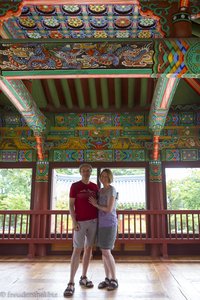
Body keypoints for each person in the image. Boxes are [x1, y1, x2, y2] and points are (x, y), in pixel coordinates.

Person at [63, 163, 99, 297]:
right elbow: (71, 206)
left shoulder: (94, 186)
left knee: (89, 249)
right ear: (80, 172)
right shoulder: (75, 186)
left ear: (90, 172)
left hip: (94, 221)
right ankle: (70, 282)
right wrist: (74, 221)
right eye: (83, 170)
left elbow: (99, 203)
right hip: (80, 222)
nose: (85, 172)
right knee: (77, 249)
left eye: (88, 170)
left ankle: (84, 277)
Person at [89, 168, 118, 291]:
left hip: (110, 223)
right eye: (102, 176)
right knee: (103, 251)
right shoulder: (100, 191)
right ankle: (107, 278)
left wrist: (95, 204)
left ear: (110, 177)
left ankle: (114, 279)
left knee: (106, 251)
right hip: (100, 224)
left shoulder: (112, 189)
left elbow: (109, 209)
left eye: (106, 176)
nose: (103, 178)